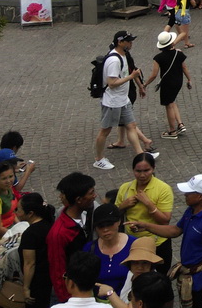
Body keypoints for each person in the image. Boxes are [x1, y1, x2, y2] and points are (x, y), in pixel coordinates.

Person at [127, 174, 202, 308]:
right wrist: (146, 226)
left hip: (199, 282)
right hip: (187, 275)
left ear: (200, 196)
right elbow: (175, 231)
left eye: (189, 193)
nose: (185, 195)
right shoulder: (192, 210)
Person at [94, 32, 147, 171]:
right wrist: (131, 76)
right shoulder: (114, 60)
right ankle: (98, 159)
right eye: (128, 41)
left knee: (131, 126)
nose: (131, 43)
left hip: (123, 99)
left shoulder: (123, 55)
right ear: (120, 43)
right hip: (112, 102)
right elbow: (112, 83)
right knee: (105, 131)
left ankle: (141, 156)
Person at [114, 153, 173, 270]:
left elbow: (165, 221)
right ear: (132, 170)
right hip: (131, 243)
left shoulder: (163, 189)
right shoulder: (125, 188)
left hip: (157, 244)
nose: (142, 175)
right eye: (138, 171)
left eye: (147, 170)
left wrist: (149, 204)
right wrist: (122, 206)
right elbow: (113, 215)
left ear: (153, 168)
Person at [47, 172, 97, 304]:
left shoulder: (85, 215)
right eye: (91, 193)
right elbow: (58, 271)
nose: (94, 196)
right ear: (79, 199)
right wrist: (67, 301)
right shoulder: (59, 233)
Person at [145, 32, 191, 139]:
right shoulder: (179, 54)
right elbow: (184, 68)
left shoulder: (158, 58)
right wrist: (189, 79)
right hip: (178, 81)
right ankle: (180, 124)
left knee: (168, 105)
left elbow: (154, 75)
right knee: (172, 101)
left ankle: (172, 131)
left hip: (167, 83)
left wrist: (145, 84)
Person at [83, 204, 136, 296]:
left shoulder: (135, 245)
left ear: (119, 221)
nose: (105, 229)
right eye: (100, 226)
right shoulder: (89, 249)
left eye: (110, 224)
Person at [116, 239, 164, 303]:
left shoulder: (153, 285)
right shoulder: (131, 274)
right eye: (135, 262)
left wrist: (110, 294)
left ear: (151, 264)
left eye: (145, 263)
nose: (140, 267)